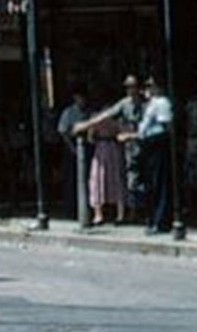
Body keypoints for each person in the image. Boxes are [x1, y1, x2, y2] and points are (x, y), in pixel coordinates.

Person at [74, 85, 136, 226]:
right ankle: (120, 214)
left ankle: (98, 214)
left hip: (101, 149)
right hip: (115, 148)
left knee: (98, 179)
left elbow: (90, 138)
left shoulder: (96, 117)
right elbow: (123, 133)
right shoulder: (117, 119)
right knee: (118, 179)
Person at [129, 78, 175, 233]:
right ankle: (153, 218)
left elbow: (165, 126)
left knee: (159, 183)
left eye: (150, 86)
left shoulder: (162, 103)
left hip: (157, 144)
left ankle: (161, 221)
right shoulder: (151, 103)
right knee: (150, 184)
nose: (147, 89)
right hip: (148, 144)